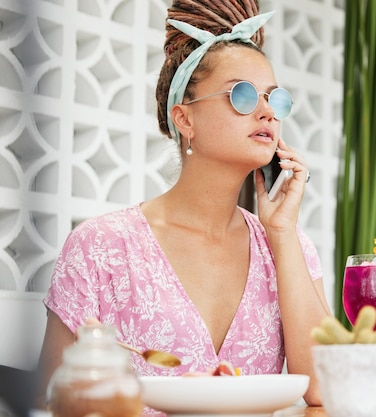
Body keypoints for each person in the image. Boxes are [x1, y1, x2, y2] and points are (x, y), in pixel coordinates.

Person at [36, 0, 329, 410]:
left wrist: (281, 234)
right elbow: (48, 402)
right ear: (184, 119)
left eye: (275, 99)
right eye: (242, 95)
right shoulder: (98, 248)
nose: (266, 111)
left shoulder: (289, 246)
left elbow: (325, 390)